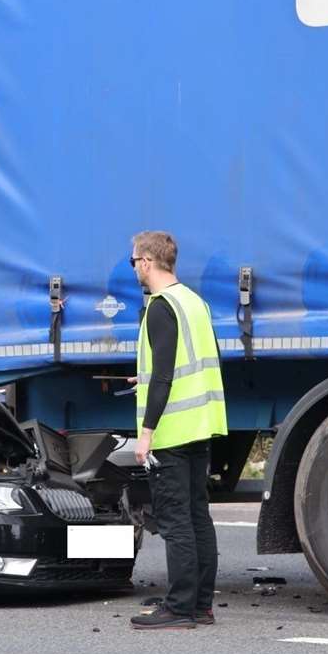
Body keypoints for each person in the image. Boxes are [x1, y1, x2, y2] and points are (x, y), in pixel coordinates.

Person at [127, 231, 228, 631]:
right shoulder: (194, 302)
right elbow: (187, 364)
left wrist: (147, 432)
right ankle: (201, 605)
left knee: (175, 522)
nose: (133, 267)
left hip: (171, 432)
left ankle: (180, 607)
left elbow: (167, 374)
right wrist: (145, 379)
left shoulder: (160, 307)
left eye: (134, 261)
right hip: (200, 425)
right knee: (198, 517)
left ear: (148, 262)